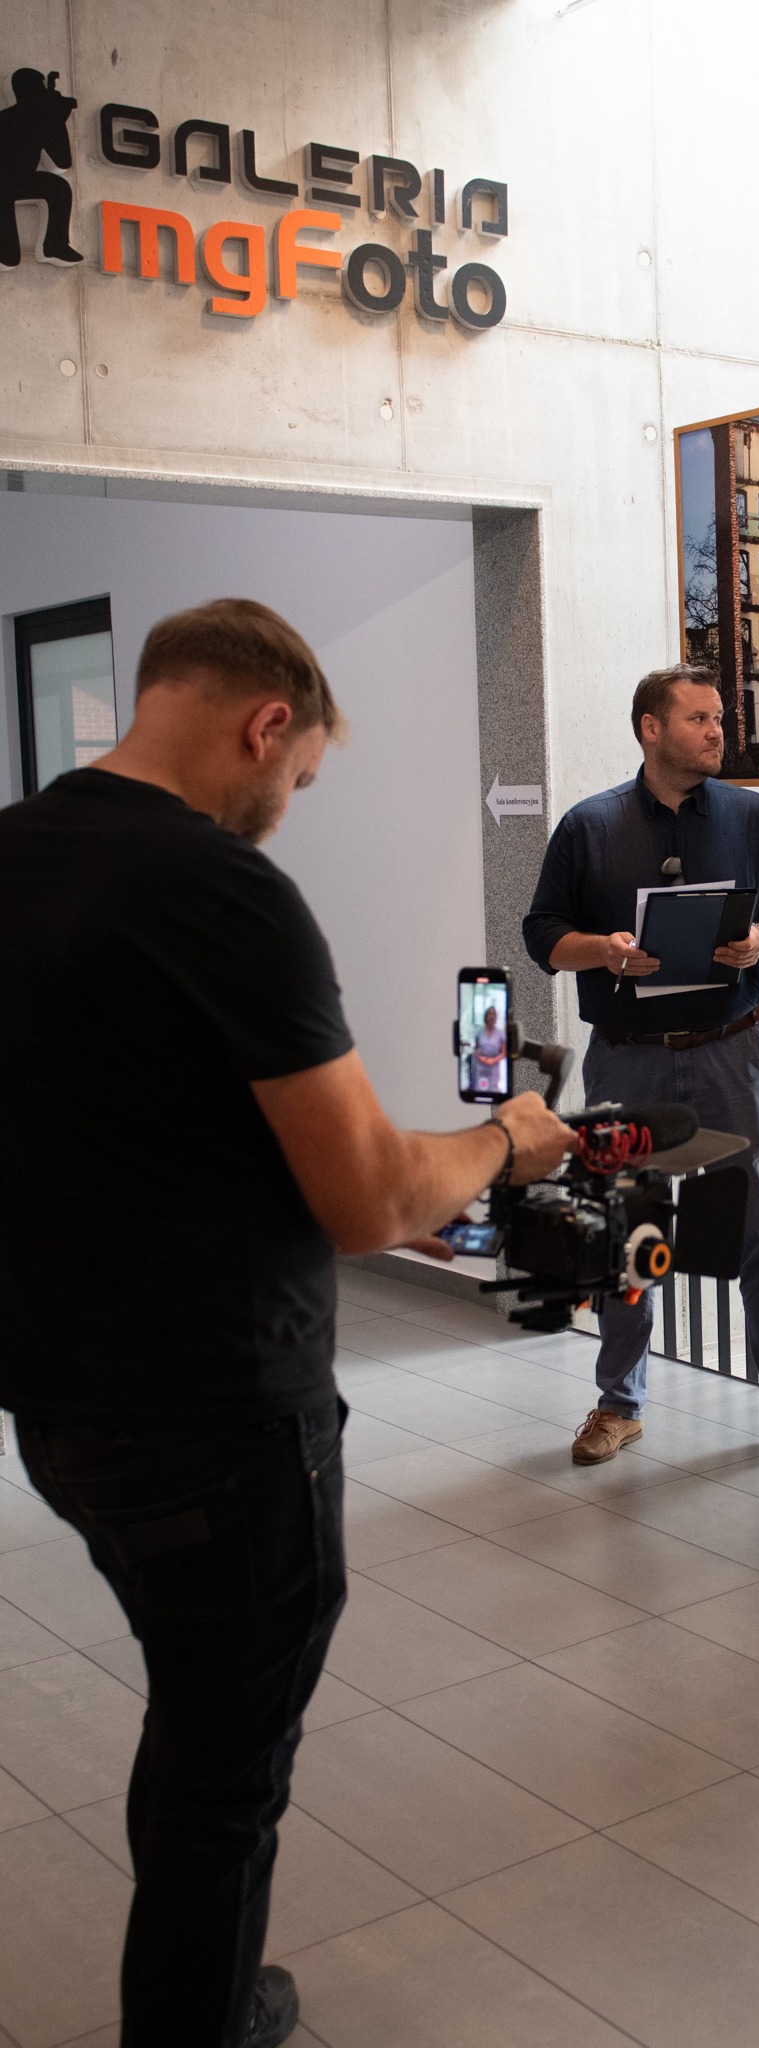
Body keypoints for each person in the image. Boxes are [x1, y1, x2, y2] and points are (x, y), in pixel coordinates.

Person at [0, 598, 573, 2048]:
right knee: (225, 1769)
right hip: (218, 1420)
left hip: (60, 1402)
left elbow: (120, 1113)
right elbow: (371, 1196)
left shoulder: (14, 852)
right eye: (302, 778)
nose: (288, 806)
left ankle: (203, 1989)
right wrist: (500, 1141)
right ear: (268, 726)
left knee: (195, 1715)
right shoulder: (220, 891)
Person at [523, 662, 759, 1470]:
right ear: (650, 729)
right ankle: (619, 1405)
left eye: (718, 717)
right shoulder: (588, 826)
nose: (717, 730)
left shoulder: (755, 816)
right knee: (628, 1228)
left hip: (734, 1053)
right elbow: (542, 935)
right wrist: (604, 951)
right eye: (699, 718)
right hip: (628, 1063)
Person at [0, 67, 84, 269]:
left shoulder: (41, 120)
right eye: (40, 89)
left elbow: (62, 162)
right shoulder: (7, 118)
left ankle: (54, 245)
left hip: (20, 180)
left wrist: (57, 120)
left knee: (59, 187)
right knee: (8, 256)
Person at [474, 1002, 508, 1095]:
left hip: (494, 1068)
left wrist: (492, 1060)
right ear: (486, 1016)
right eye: (489, 1014)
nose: (491, 1016)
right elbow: (476, 1050)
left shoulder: (500, 1034)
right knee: (480, 1091)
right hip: (481, 1067)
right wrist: (480, 1057)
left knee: (493, 1092)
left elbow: (504, 1053)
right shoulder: (479, 1032)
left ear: (496, 1017)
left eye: (493, 1014)